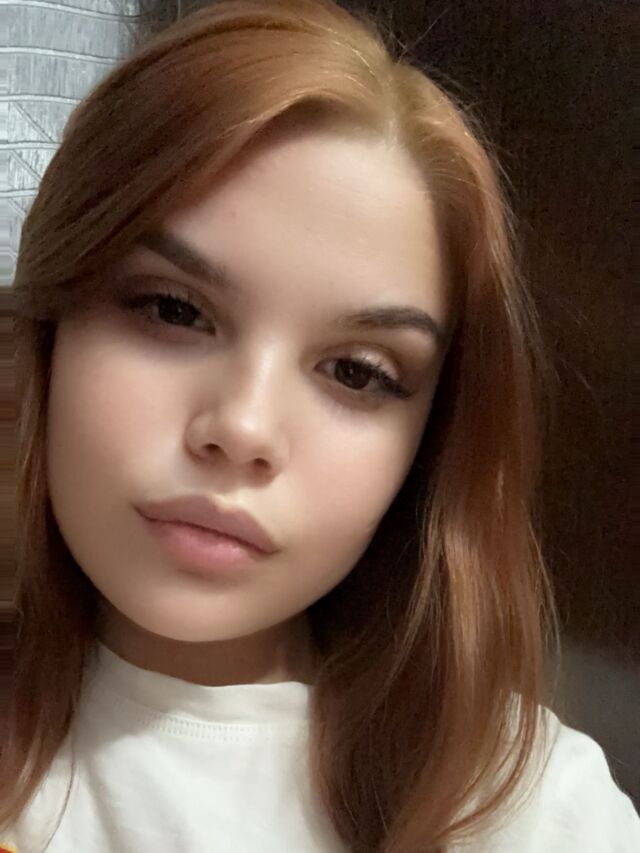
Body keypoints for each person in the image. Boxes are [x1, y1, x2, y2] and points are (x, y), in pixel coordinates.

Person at [2, 1, 638, 851]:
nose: (243, 428)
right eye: (173, 310)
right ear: (49, 330)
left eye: (356, 372)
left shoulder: (523, 806)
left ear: (429, 442)